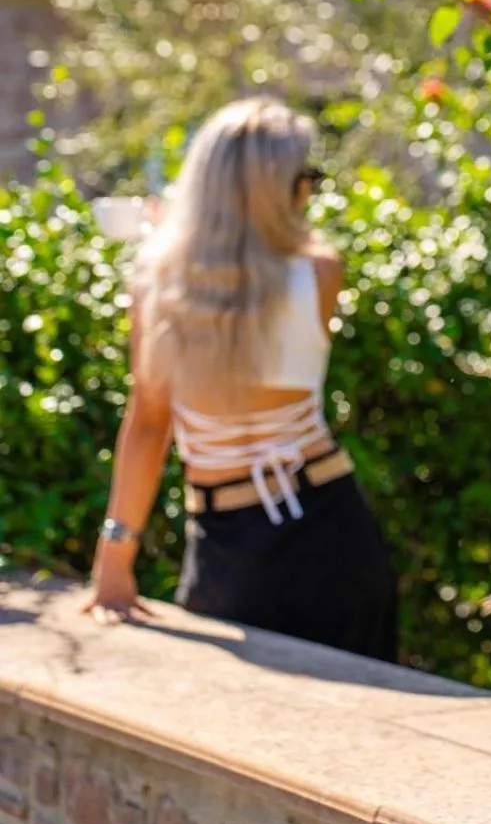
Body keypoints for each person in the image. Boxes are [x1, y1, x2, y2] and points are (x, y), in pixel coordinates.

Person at [84, 97, 397, 661]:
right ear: (284, 188)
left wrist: (114, 561)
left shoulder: (159, 285)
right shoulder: (318, 271)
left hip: (242, 537)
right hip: (323, 526)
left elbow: (150, 420)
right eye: (308, 178)